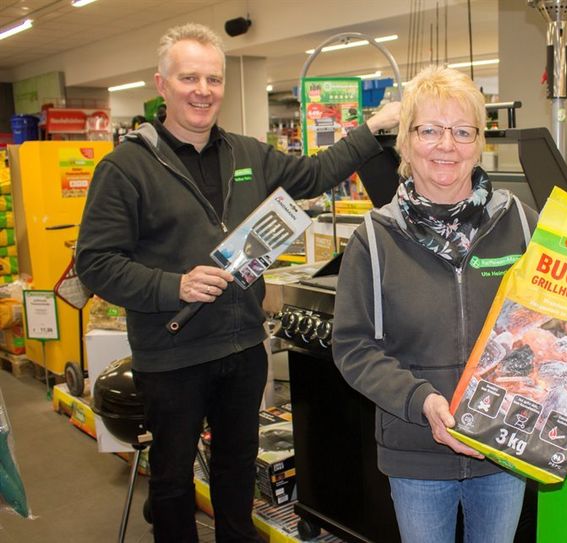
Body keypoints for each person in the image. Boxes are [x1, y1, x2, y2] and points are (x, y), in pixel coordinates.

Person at [75, 23, 399, 542]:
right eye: (189, 78)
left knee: (235, 472)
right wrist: (171, 286)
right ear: (162, 85)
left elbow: (314, 175)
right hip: (172, 355)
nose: (203, 90)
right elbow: (96, 261)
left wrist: (375, 125)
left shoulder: (247, 154)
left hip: (243, 347)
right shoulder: (126, 168)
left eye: (213, 79)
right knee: (175, 480)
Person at [332, 65, 567, 543]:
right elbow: (353, 347)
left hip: (505, 446)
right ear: (405, 142)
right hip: (417, 453)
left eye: (462, 131)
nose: (446, 145)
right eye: (429, 130)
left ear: (479, 141)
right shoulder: (373, 238)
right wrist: (421, 401)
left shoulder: (523, 225)